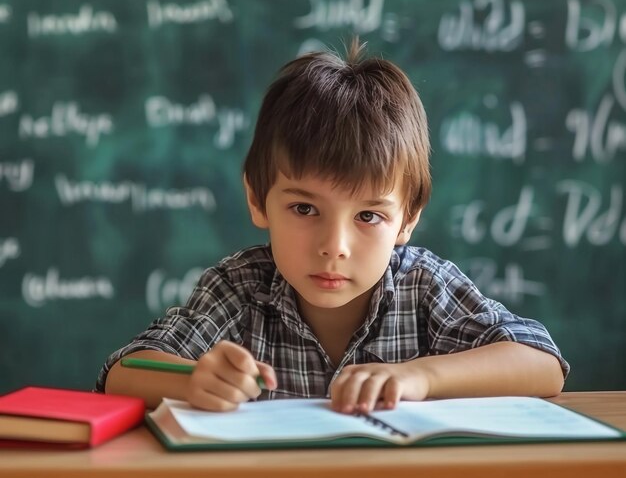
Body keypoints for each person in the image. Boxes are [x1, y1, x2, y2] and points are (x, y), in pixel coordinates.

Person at [97, 39, 568, 414]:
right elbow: (124, 371)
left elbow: (542, 362)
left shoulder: (423, 286)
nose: (334, 246)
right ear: (258, 201)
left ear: (407, 219)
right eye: (305, 209)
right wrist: (191, 378)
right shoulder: (240, 289)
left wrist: (419, 376)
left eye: (368, 216)